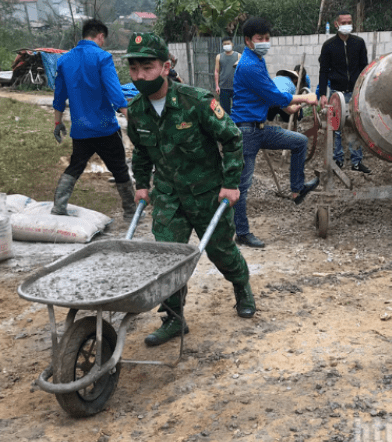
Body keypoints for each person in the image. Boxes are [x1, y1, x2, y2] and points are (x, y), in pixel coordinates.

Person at [123, 32, 256, 346]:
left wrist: (230, 183)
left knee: (221, 251)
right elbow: (141, 151)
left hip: (208, 194)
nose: (140, 76)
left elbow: (233, 138)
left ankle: (241, 286)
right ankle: (174, 319)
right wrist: (142, 185)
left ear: (166, 66)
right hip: (169, 196)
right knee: (168, 259)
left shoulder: (195, 101)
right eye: (134, 69)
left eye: (148, 67)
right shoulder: (137, 111)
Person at [231, 16, 320, 248]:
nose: (265, 42)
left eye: (267, 38)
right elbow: (273, 95)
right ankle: (241, 232)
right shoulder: (249, 65)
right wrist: (304, 97)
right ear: (248, 40)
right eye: (260, 38)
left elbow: (266, 92)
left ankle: (297, 189)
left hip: (259, 129)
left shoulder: (256, 59)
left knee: (299, 141)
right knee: (243, 186)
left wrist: (287, 107)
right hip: (246, 131)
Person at [50, 19, 135, 222]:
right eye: (103, 39)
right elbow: (115, 94)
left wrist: (57, 122)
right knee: (120, 168)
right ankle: (131, 212)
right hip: (105, 128)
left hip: (81, 130)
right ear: (100, 36)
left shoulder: (64, 60)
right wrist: (132, 118)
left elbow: (59, 96)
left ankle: (58, 206)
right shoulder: (102, 57)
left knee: (75, 166)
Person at [318, 11, 371, 173]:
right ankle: (338, 160)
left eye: (350, 21)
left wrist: (363, 90)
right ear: (336, 24)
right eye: (344, 22)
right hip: (336, 93)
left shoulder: (359, 43)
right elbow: (323, 71)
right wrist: (322, 94)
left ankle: (356, 162)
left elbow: (364, 68)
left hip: (355, 93)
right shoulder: (329, 46)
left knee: (355, 127)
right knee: (337, 128)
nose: (347, 25)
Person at [214, 37, 239, 115]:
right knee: (225, 111)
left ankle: (237, 125)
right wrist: (217, 86)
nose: (226, 45)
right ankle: (227, 126)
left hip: (236, 87)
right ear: (222, 45)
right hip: (223, 87)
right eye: (224, 44)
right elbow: (216, 71)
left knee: (237, 109)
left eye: (228, 44)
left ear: (232, 44)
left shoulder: (238, 56)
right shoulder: (219, 56)